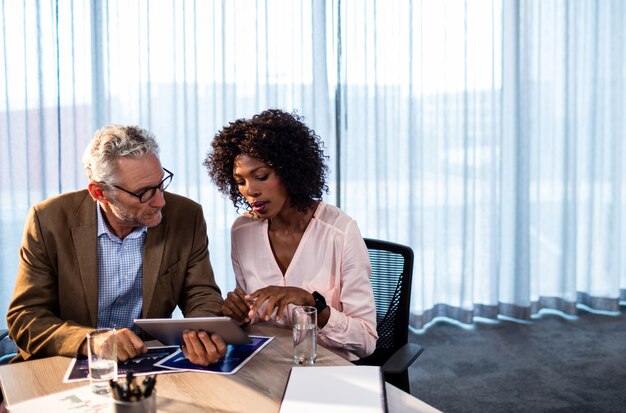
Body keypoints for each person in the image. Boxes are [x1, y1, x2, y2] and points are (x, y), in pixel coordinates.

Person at [6, 125, 226, 366]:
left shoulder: (186, 215)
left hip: (150, 360)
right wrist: (91, 341)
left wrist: (201, 336)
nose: (160, 201)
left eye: (161, 184)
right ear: (99, 192)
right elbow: (25, 318)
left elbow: (201, 294)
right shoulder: (47, 221)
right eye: (144, 192)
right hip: (68, 362)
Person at [204, 109, 378, 361]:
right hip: (266, 361)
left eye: (261, 176)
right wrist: (236, 313)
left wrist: (312, 304)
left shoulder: (341, 232)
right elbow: (253, 316)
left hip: (325, 367)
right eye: (240, 181)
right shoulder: (241, 231)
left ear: (290, 170)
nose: (250, 191)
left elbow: (365, 342)